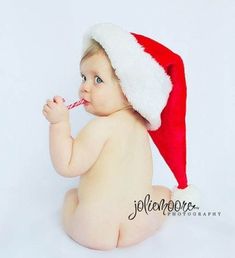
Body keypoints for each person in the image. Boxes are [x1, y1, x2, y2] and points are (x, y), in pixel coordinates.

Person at [42, 23, 199, 250]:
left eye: (97, 80)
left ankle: (79, 210)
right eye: (83, 76)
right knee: (162, 193)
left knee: (70, 197)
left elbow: (67, 165)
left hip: (94, 229)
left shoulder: (100, 127)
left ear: (129, 90)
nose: (84, 87)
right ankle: (170, 200)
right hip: (139, 222)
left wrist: (59, 123)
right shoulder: (141, 125)